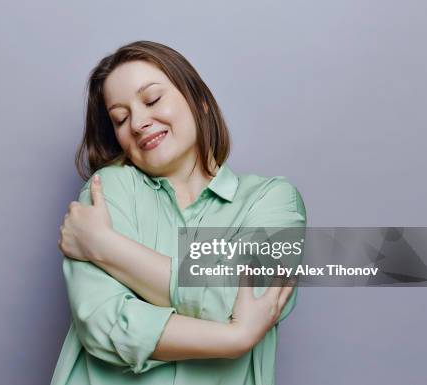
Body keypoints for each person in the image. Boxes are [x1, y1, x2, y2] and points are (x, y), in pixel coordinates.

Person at [50, 40, 306, 385]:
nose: (139, 122)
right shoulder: (107, 190)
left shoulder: (273, 201)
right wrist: (235, 338)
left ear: (198, 101)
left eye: (152, 99)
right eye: (120, 119)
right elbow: (106, 324)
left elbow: (242, 297)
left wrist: (105, 246)